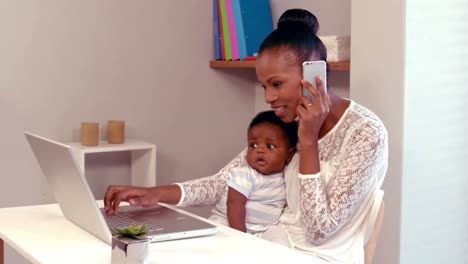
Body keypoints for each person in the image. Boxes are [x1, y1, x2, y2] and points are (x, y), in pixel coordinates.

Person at [104, 8, 388, 264]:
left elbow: (318, 230)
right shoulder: (288, 122)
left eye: (276, 84)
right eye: (264, 86)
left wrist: (309, 140)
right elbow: (225, 182)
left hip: (319, 256)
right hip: (271, 245)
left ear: (315, 76)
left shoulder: (365, 133)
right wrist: (156, 194)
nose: (269, 97)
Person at [209, 110, 297, 234]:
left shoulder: (285, 178)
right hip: (228, 226)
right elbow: (234, 205)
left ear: (289, 155)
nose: (259, 150)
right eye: (253, 145)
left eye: (270, 146)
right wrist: (241, 237)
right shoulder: (245, 173)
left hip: (259, 231)